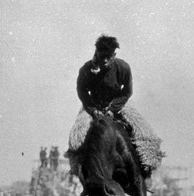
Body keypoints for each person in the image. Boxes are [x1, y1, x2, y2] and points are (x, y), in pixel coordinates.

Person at [67, 35, 164, 186]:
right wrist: (93, 111)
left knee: (145, 133)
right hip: (93, 106)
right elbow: (81, 91)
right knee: (76, 139)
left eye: (108, 57)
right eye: (101, 56)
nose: (104, 60)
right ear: (96, 53)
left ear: (114, 55)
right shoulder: (86, 69)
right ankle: (80, 173)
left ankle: (146, 168)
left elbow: (128, 91)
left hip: (118, 105)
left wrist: (113, 109)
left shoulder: (123, 67)